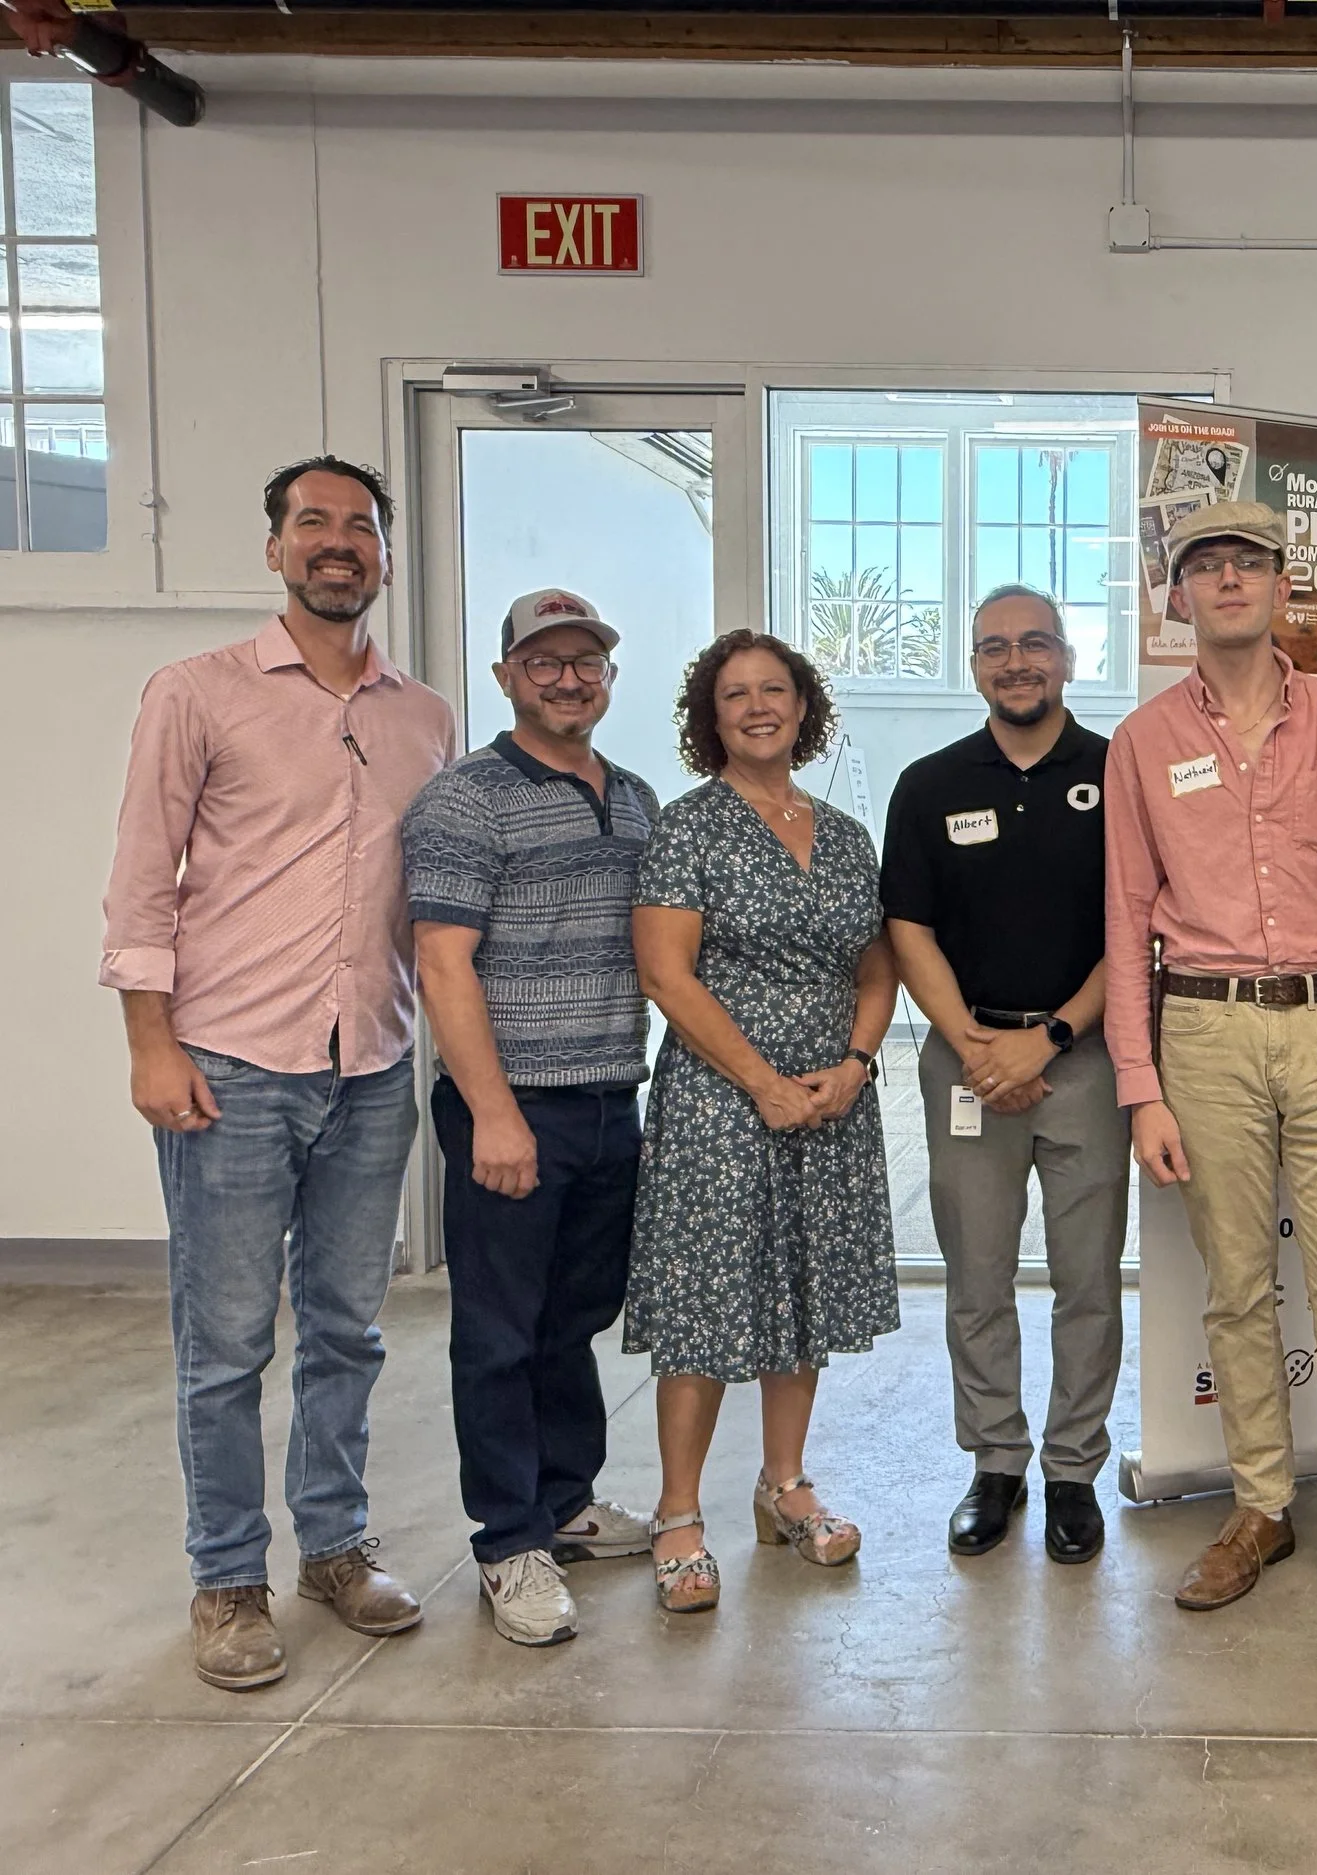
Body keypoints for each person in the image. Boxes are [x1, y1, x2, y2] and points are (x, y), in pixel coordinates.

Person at [101, 457, 456, 1690]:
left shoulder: (424, 716)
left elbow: (428, 905)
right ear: (275, 550)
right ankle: (227, 1578)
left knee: (349, 1330)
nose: (338, 543)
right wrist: (152, 1042)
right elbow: (144, 880)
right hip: (230, 1064)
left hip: (370, 1063)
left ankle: (336, 1546)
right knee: (226, 1342)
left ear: (385, 558)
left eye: (360, 526)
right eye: (314, 523)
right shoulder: (196, 694)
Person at [1105, 499, 1317, 1642]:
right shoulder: (1144, 741)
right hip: (1201, 1034)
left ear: (1279, 585)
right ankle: (1259, 1507)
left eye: (1248, 562)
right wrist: (1140, 1084)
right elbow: (1126, 919)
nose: (1229, 580)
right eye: (1206, 565)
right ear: (1177, 595)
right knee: (1238, 1290)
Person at [402, 588, 660, 1647]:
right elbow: (440, 961)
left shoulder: (637, 799)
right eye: (543, 662)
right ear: (506, 675)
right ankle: (509, 1544)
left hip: (611, 1101)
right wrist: (494, 1113)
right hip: (514, 1112)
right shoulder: (463, 802)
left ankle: (566, 1501)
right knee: (499, 1336)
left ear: (608, 675)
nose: (567, 679)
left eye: (585, 662)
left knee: (573, 1321)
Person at [626, 629, 901, 1614]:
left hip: (830, 1101)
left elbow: (876, 966)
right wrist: (762, 1082)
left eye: (772, 690)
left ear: (802, 706)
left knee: (801, 1293)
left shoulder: (843, 833)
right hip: (717, 1103)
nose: (755, 706)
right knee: (705, 1304)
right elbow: (667, 973)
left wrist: (855, 1065)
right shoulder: (689, 827)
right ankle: (677, 1511)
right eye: (734, 694)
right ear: (710, 718)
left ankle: (784, 1485)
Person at [882, 585, 1125, 1565]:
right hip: (965, 1061)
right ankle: (995, 1463)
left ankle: (1072, 1471)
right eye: (993, 647)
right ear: (972, 665)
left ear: (1066, 657)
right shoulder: (930, 782)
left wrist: (1053, 1037)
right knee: (977, 1277)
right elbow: (908, 928)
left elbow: (1137, 924)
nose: (1014, 661)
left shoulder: (1119, 774)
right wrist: (979, 1047)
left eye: (1034, 644)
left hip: (1088, 1060)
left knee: (1088, 1280)